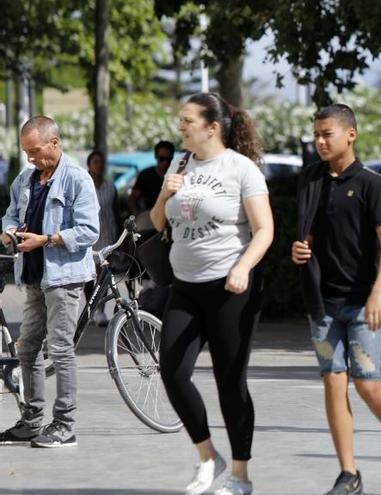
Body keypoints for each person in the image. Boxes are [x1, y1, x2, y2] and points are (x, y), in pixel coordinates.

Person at [151, 92, 273, 495]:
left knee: (229, 382)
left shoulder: (242, 169)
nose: (180, 127)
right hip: (184, 286)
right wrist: (166, 193)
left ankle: (241, 476)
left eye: (187, 121)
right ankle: (208, 456)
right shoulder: (180, 163)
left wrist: (242, 267)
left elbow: (264, 230)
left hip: (230, 289)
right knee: (172, 370)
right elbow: (157, 221)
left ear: (212, 127)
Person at [292, 103, 381, 495]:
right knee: (333, 382)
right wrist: (300, 251)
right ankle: (350, 474)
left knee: (367, 384)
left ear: (351, 134)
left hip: (363, 303)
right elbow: (308, 232)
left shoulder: (370, 183)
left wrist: (379, 292)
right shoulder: (310, 179)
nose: (320, 141)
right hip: (323, 303)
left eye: (327, 133)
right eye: (316, 134)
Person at [0, 116, 100, 448]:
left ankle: (64, 424)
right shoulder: (25, 178)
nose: (30, 158)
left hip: (64, 278)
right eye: (26, 152)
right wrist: (8, 231)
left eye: (35, 151)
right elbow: (12, 213)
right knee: (26, 348)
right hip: (32, 276)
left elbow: (89, 231)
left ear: (54, 144)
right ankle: (31, 421)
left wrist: (47, 239)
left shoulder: (76, 179)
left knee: (60, 350)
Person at [84, 150, 118, 325]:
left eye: (101, 162)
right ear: (89, 164)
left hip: (107, 235)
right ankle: (91, 309)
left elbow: (115, 211)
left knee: (103, 275)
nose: (99, 165)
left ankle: (100, 310)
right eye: (96, 162)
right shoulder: (83, 185)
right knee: (90, 277)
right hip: (89, 237)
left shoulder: (110, 187)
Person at [130, 140, 175, 217]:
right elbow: (133, 199)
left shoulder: (177, 175)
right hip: (149, 217)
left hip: (171, 218)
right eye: (162, 159)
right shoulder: (145, 175)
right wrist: (138, 216)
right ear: (156, 156)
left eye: (169, 159)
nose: (165, 162)